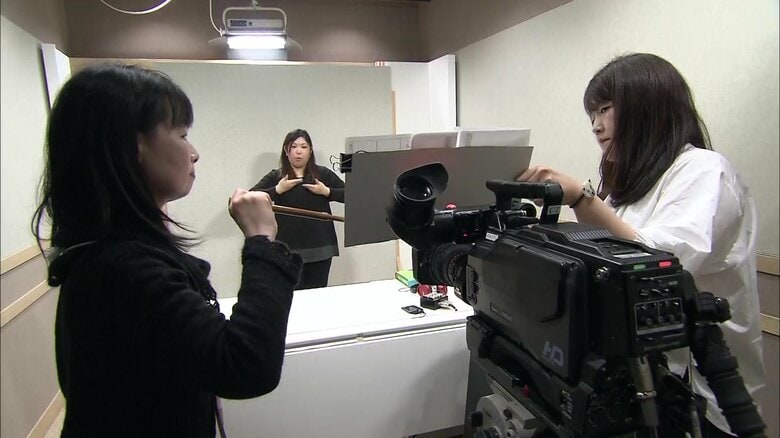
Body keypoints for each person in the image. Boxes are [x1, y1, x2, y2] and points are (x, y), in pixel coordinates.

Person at [31, 63, 302, 437]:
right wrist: (261, 239)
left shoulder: (109, 253)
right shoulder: (123, 268)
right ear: (133, 146)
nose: (194, 153)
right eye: (182, 134)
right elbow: (246, 365)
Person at [517, 53, 764, 437]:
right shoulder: (632, 184)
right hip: (643, 383)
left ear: (648, 106)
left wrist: (580, 197)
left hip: (702, 393)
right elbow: (605, 252)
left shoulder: (704, 171)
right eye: (591, 115)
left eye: (605, 109)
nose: (596, 126)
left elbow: (654, 266)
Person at [251, 129, 345, 290]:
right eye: (294, 147)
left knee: (317, 295)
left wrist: (327, 192)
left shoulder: (322, 174)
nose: (299, 151)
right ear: (286, 151)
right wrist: (277, 190)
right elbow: (250, 198)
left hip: (320, 248)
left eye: (303, 147)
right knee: (292, 296)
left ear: (310, 151)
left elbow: (352, 195)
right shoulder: (277, 176)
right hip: (287, 250)